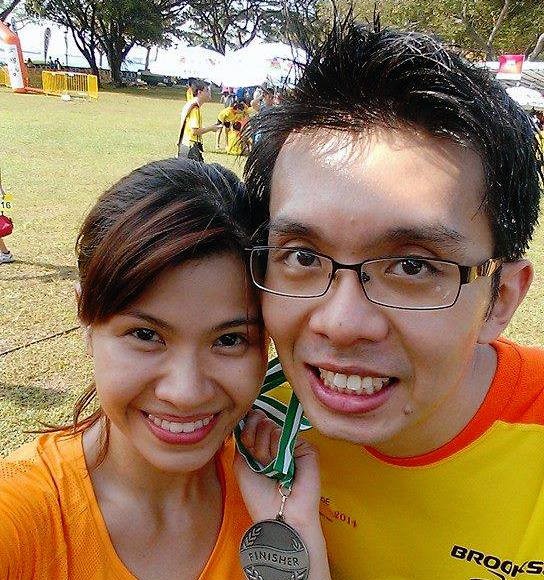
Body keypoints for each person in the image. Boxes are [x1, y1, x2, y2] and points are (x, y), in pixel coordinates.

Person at [242, 19, 544, 579]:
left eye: (412, 266)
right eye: (303, 256)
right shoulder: (234, 411)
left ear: (500, 298)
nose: (341, 324)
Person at [0, 157, 327, 580]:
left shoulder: (277, 495)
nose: (185, 393)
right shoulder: (20, 517)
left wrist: (295, 536)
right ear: (85, 317)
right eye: (146, 335)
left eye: (229, 340)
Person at [177, 80, 219, 162]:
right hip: (190, 147)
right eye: (207, 90)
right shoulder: (195, 108)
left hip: (186, 145)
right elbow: (195, 131)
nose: (210, 93)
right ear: (199, 92)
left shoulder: (192, 104)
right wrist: (212, 128)